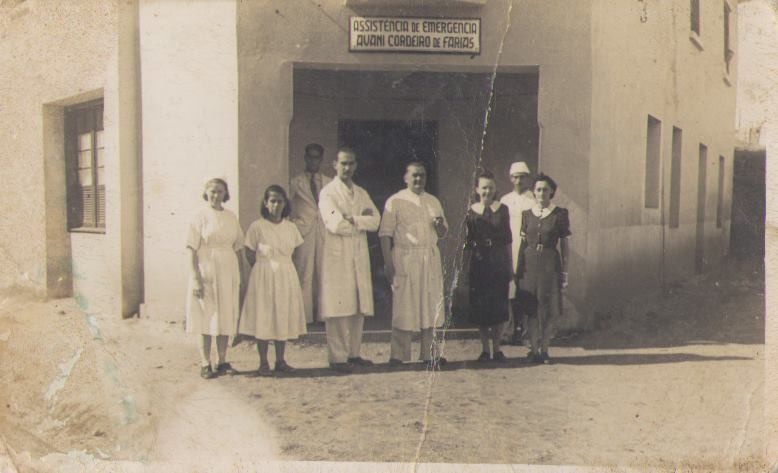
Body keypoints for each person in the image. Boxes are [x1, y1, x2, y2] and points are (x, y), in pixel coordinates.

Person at [379, 162, 448, 368]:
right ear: (406, 178)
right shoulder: (395, 201)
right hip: (405, 258)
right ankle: (399, 355)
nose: (419, 180)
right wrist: (387, 263)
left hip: (429, 258)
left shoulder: (433, 201)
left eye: (422, 176)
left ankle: (430, 354)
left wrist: (439, 226)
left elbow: (443, 233)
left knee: (432, 304)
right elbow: (384, 234)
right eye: (415, 176)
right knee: (404, 306)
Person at [318, 148, 380, 373]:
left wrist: (352, 218)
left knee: (358, 304)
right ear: (335, 164)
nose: (347, 168)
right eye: (343, 163)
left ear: (356, 165)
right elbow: (334, 224)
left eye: (351, 163)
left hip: (358, 253)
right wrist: (359, 222)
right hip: (337, 255)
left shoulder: (361, 193)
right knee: (338, 305)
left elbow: (376, 221)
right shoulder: (328, 193)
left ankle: (353, 354)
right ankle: (337, 358)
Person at [239, 185, 307, 376]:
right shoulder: (257, 226)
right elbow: (249, 252)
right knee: (264, 315)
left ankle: (280, 360)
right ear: (266, 203)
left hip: (286, 274)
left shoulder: (291, 227)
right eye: (272, 201)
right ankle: (262, 362)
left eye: (280, 201)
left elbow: (298, 252)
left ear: (285, 203)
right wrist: (262, 269)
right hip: (263, 275)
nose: (276, 205)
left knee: (281, 315)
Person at [186, 178, 244, 379]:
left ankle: (222, 361)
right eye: (212, 191)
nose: (216, 195)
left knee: (224, 315)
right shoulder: (199, 216)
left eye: (220, 191)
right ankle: (205, 363)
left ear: (225, 194)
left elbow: (238, 248)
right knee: (206, 316)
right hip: (206, 270)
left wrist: (240, 276)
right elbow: (190, 249)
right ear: (205, 192)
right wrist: (195, 278)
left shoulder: (231, 217)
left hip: (228, 271)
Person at [516, 173, 570, 364]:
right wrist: (518, 268)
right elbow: (522, 244)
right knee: (531, 309)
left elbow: (565, 245)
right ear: (533, 192)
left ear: (552, 192)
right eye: (538, 189)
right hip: (529, 264)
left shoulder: (560, 214)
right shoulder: (526, 215)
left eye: (545, 189)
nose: (541, 193)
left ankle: (545, 348)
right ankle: (533, 350)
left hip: (550, 264)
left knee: (551, 309)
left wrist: (565, 272)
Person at [464, 170, 512, 363]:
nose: (487, 191)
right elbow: (467, 243)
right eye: (484, 187)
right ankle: (485, 350)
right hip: (479, 262)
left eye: (491, 187)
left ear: (496, 189)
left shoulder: (503, 209)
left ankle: (497, 348)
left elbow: (508, 240)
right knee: (482, 307)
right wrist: (466, 268)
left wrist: (510, 266)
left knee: (499, 306)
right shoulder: (471, 212)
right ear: (477, 189)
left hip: (498, 261)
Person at [289, 144, 332, 324]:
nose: (313, 161)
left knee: (325, 272)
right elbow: (287, 206)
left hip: (324, 231)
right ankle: (304, 318)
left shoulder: (330, 182)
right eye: (310, 157)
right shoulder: (295, 182)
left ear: (321, 160)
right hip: (304, 231)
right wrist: (294, 224)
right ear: (305, 158)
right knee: (304, 271)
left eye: (317, 157)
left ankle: (324, 316)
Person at [499, 161, 535, 345]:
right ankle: (508, 331)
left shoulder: (533, 199)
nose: (519, 180)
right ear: (510, 178)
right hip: (509, 247)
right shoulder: (505, 200)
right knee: (509, 289)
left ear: (527, 178)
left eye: (522, 176)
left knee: (525, 290)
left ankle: (525, 332)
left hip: (526, 249)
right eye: (515, 177)